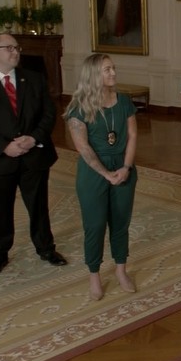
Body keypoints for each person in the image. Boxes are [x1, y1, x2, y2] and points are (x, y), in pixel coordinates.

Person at [0, 33, 67, 277]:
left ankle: (46, 249)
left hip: (34, 155)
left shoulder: (35, 79)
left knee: (38, 205)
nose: (15, 52)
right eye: (8, 47)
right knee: (1, 208)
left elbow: (49, 114)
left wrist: (34, 138)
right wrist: (4, 146)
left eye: (16, 47)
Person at [65, 54, 138, 301]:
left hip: (123, 167)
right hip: (93, 172)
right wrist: (105, 173)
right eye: (107, 70)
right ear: (94, 74)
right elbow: (83, 148)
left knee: (120, 222)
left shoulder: (125, 101)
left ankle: (121, 270)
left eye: (113, 68)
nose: (113, 73)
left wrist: (126, 167)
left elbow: (133, 135)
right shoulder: (78, 109)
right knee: (95, 225)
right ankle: (94, 275)